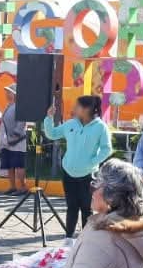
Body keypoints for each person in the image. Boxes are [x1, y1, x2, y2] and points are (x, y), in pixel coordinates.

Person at [43, 95, 115, 237]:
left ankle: (85, 239)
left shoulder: (100, 127)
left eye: (77, 106)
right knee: (71, 207)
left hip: (87, 176)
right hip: (68, 174)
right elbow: (52, 134)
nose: (74, 108)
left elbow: (107, 149)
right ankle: (68, 239)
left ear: (87, 109)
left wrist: (92, 162)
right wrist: (49, 118)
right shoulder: (71, 124)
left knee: (86, 209)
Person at [0, 94, 30, 195]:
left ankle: (23, 187)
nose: (6, 94)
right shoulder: (9, 106)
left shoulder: (20, 107)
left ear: (15, 95)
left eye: (8, 92)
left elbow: (21, 122)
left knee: (18, 165)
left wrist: (14, 136)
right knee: (9, 165)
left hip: (17, 141)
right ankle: (13, 187)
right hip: (7, 141)